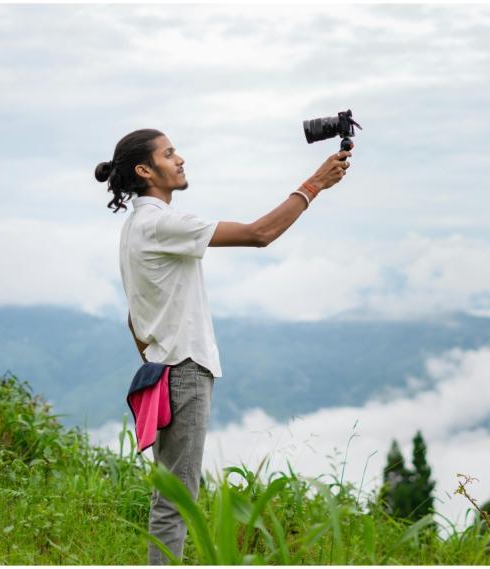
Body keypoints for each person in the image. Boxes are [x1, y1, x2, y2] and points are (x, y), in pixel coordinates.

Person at [94, 128, 351, 564]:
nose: (180, 159)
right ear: (145, 170)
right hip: (183, 372)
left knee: (172, 492)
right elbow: (259, 233)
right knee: (177, 498)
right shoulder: (160, 223)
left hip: (164, 371)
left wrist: (156, 358)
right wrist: (314, 185)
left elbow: (134, 318)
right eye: (169, 154)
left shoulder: (136, 226)